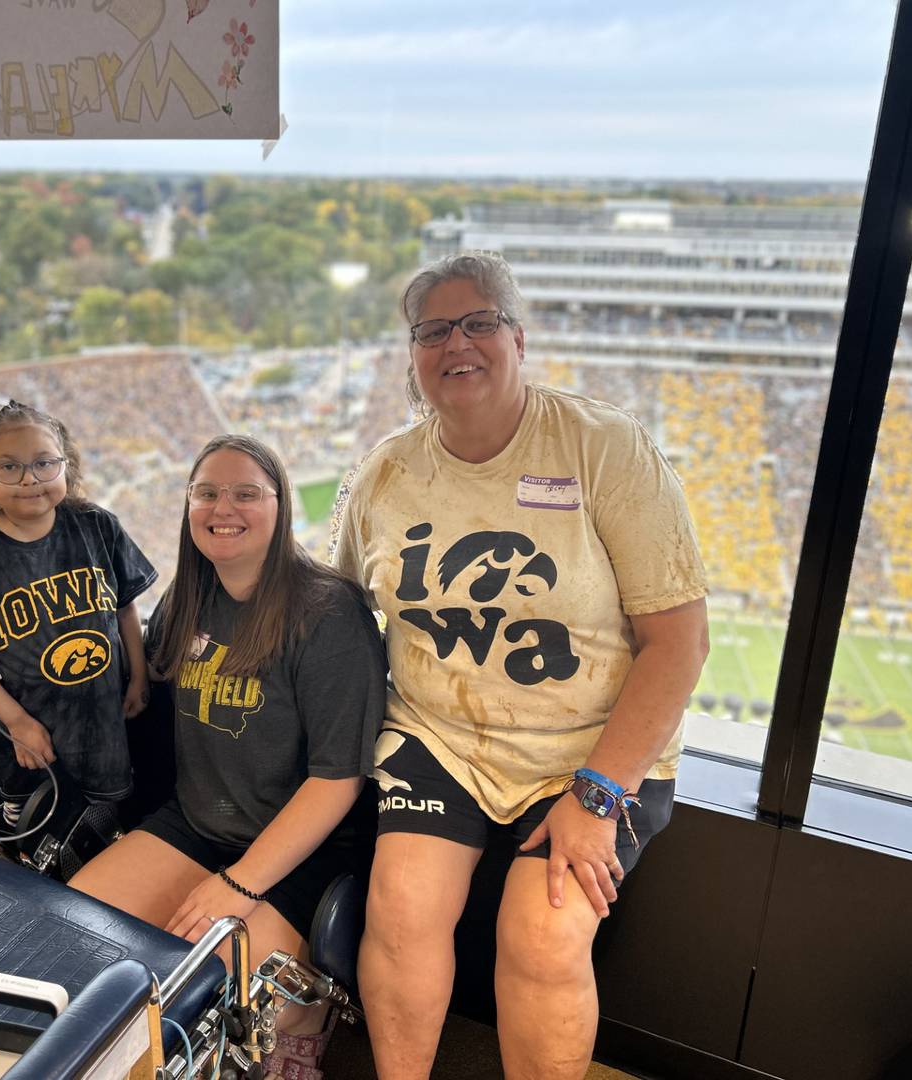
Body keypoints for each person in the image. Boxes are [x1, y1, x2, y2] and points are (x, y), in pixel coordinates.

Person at [333, 252, 710, 1080]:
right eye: (433, 330)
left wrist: (600, 793)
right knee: (399, 909)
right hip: (441, 738)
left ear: (517, 337)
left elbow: (679, 642)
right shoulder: (386, 473)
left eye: (478, 323)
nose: (455, 344)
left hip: (591, 749)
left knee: (542, 933)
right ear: (412, 353)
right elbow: (338, 602)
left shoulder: (605, 448)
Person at [70, 434, 385, 1072]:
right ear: (188, 507)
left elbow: (338, 783)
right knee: (75, 940)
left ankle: (309, 1016)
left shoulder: (329, 614)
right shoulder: (188, 599)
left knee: (213, 1003)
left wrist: (238, 886)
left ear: (280, 506)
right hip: (198, 826)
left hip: (301, 854)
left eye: (246, 493)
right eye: (207, 493)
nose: (224, 507)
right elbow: (144, 683)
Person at [0, 400, 157, 825]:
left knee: (104, 822)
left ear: (66, 464)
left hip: (103, 725)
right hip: (26, 735)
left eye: (44, 463)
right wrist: (16, 722)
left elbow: (125, 607)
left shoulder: (97, 526)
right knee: (34, 825)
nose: (30, 479)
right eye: (9, 467)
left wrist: (138, 675)